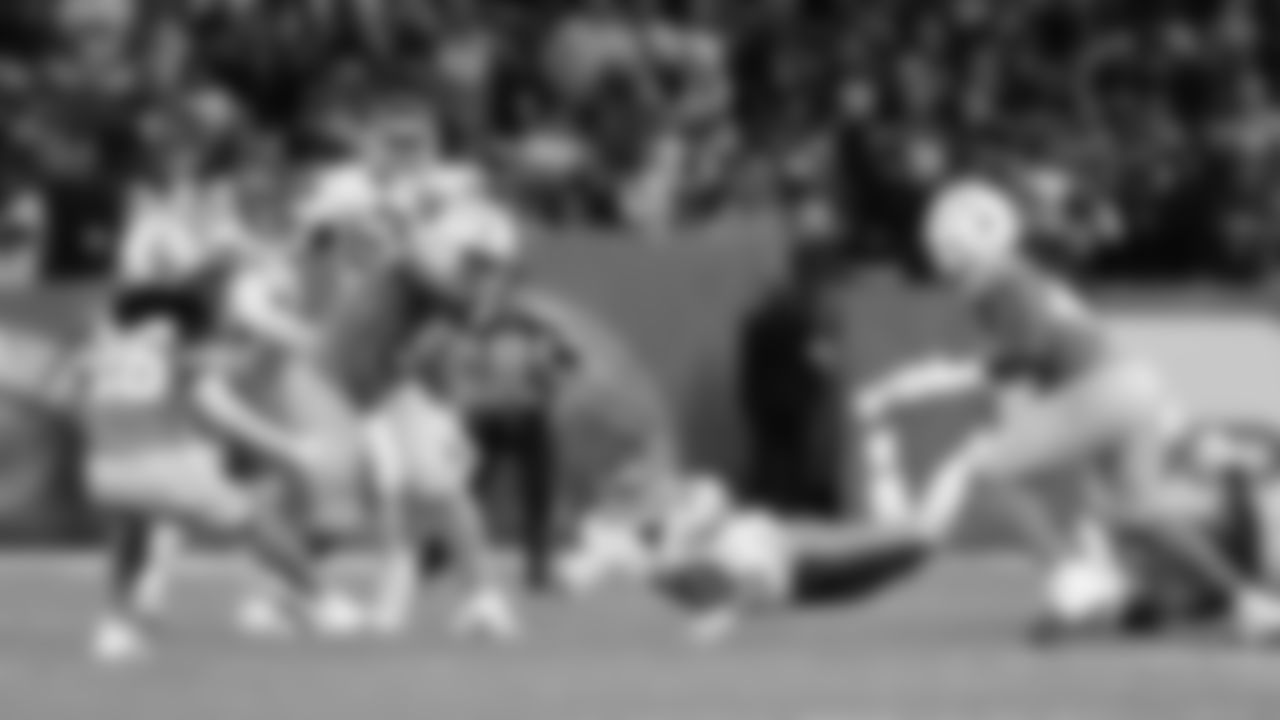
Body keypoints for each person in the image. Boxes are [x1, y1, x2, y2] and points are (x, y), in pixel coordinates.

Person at [852, 178, 1280, 641]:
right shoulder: (1016, 274)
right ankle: (1249, 601)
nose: (943, 254)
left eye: (948, 243)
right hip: (1132, 385)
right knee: (1140, 512)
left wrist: (949, 377)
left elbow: (1029, 350)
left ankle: (1073, 580)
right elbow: (1036, 354)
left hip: (1098, 387)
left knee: (990, 471)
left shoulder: (998, 279)